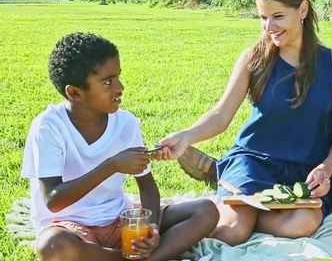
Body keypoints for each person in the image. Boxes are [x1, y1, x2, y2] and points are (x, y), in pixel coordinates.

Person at [153, 0, 332, 245]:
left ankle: (234, 195)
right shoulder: (254, 58)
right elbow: (221, 114)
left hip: (304, 173)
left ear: (303, 9)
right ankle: (229, 203)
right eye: (263, 18)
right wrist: (186, 136)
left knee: (304, 223)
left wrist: (325, 169)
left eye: (278, 16)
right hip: (254, 162)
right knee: (233, 231)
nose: (269, 27)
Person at [22, 32, 219, 261]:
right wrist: (112, 166)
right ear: (74, 92)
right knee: (53, 247)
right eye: (108, 82)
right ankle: (137, 257)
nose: (120, 87)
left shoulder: (126, 123)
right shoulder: (49, 127)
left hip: (120, 220)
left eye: (118, 77)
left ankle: (143, 256)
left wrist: (152, 229)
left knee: (205, 211)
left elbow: (147, 186)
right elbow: (54, 200)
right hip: (70, 227)